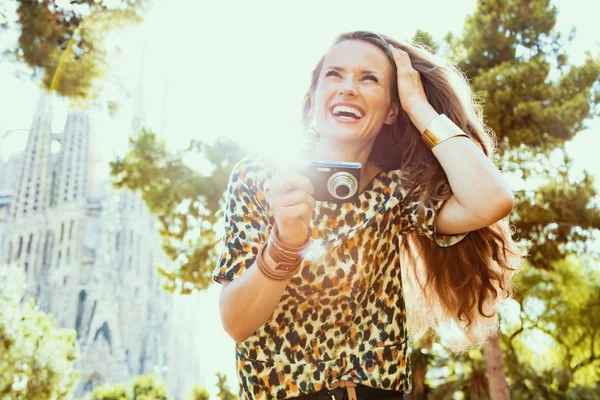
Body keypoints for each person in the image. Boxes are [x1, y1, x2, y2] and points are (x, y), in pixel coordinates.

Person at [213, 31, 523, 400]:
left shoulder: (396, 190)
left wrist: (420, 107)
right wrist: (284, 244)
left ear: (393, 110)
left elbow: (490, 200)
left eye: (369, 78)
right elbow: (236, 323)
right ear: (313, 101)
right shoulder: (263, 178)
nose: (347, 88)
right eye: (334, 74)